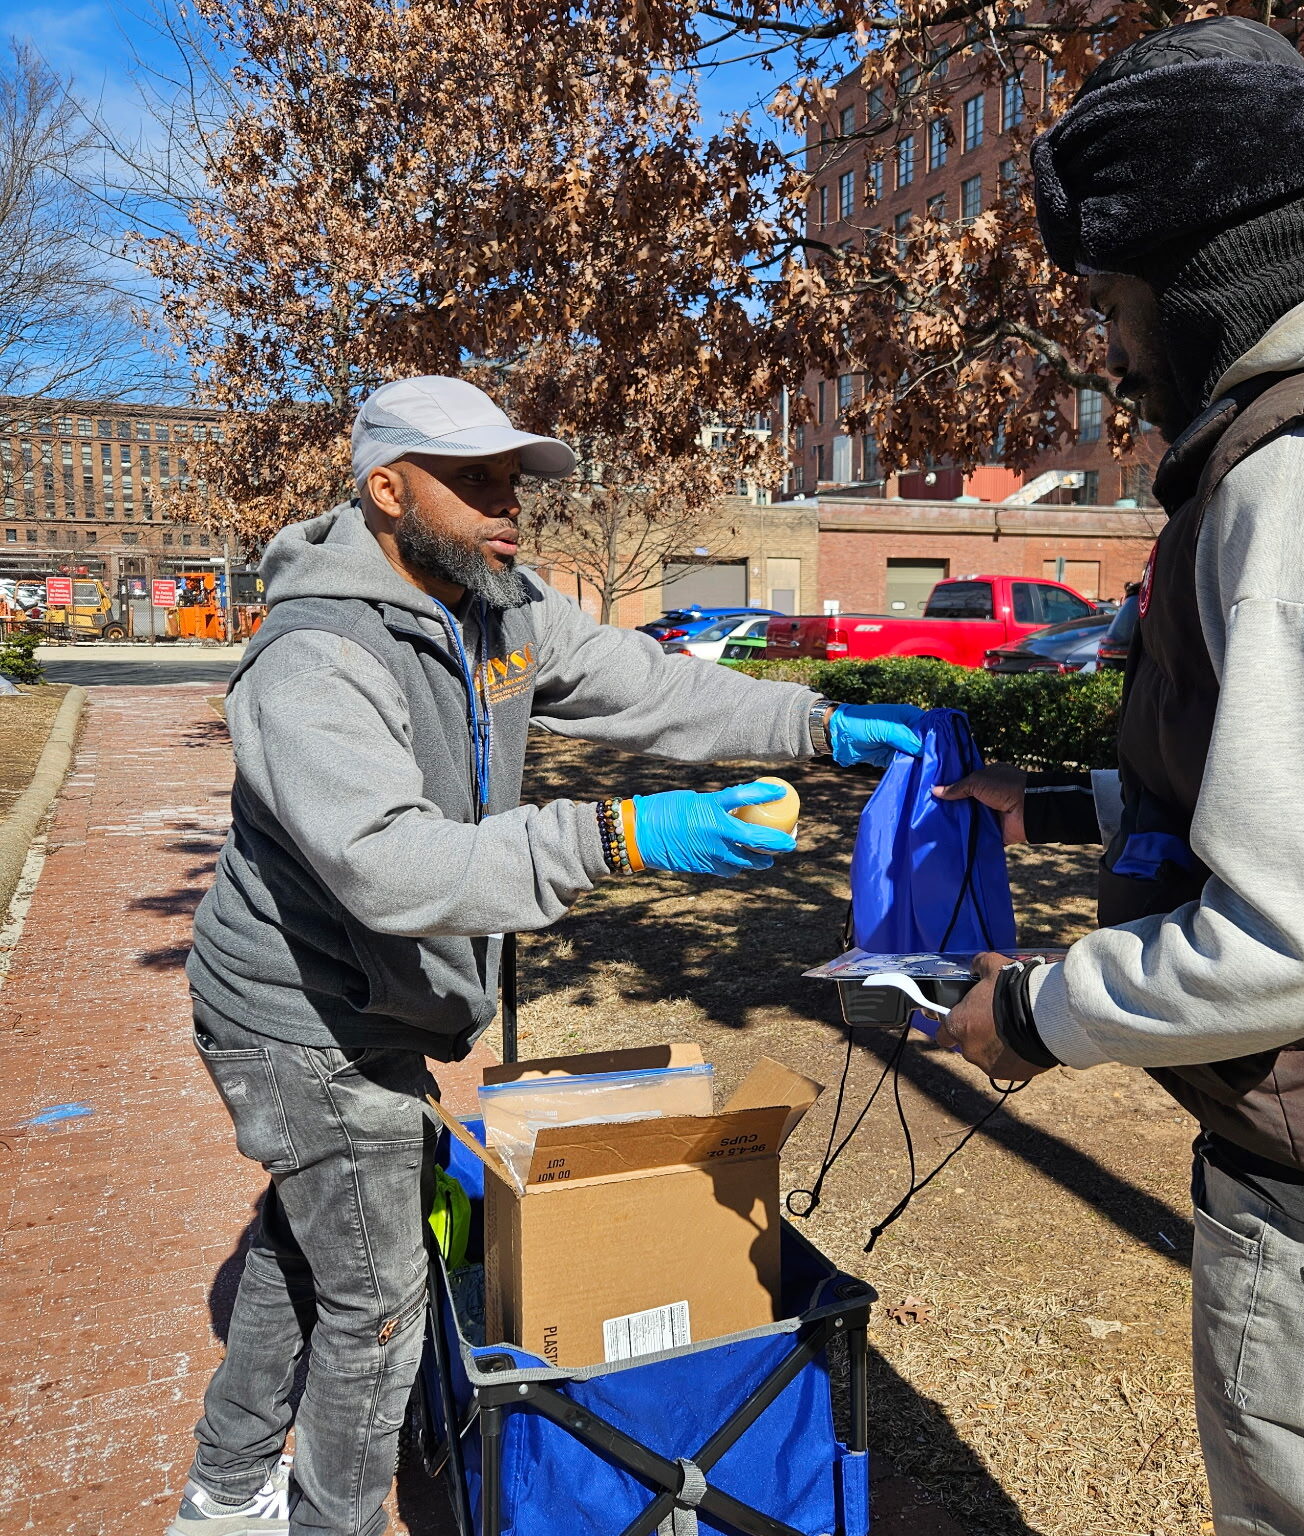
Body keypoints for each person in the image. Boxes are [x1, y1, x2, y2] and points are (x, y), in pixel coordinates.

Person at [935, 19, 1304, 1536]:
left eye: (1111, 302)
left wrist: (1036, 1013)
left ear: (1196, 273)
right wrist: (1066, 807)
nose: (1111, 353)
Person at [168, 374, 923, 1536]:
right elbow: (390, 867)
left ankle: (223, 1491)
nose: (506, 504)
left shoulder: (501, 608)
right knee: (379, 1304)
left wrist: (816, 725)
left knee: (317, 1238)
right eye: (472, 482)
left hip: (376, 1001)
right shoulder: (312, 657)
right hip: (296, 1015)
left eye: (512, 480)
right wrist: (617, 837)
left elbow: (651, 687)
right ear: (386, 490)